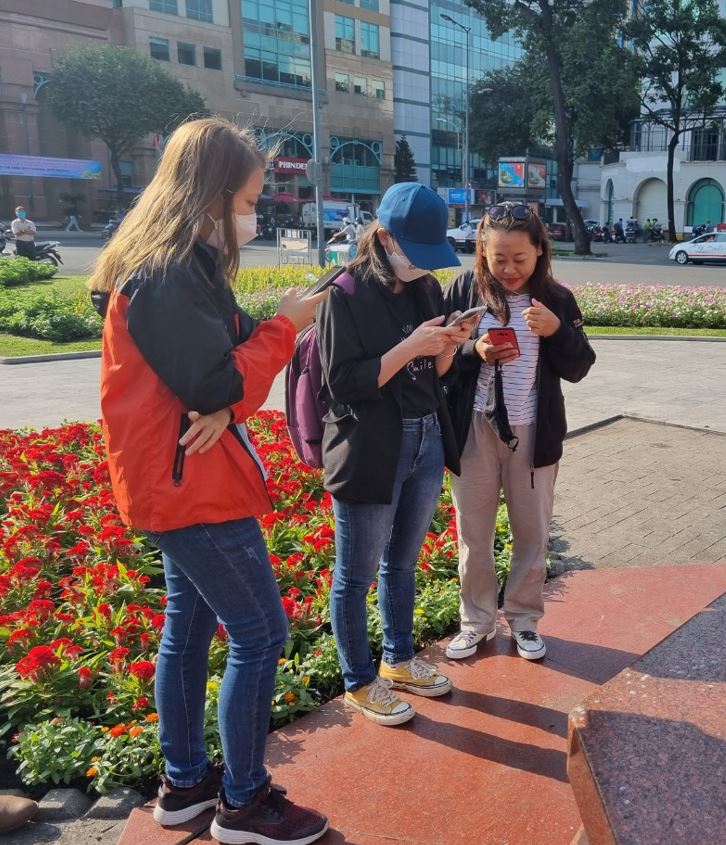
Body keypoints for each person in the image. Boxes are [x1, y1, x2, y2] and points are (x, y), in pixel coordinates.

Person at [89, 117, 329, 845]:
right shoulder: (165, 274)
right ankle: (244, 804)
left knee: (187, 630)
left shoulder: (175, 266)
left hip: (181, 477)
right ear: (211, 196)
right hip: (190, 485)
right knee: (260, 634)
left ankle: (187, 784)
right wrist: (281, 333)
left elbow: (223, 366)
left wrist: (237, 381)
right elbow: (216, 380)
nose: (255, 215)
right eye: (250, 201)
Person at [316, 183, 475, 727]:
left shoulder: (426, 288)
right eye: (414, 252)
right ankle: (359, 681)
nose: (422, 266)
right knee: (355, 574)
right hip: (371, 445)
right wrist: (409, 348)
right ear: (384, 237)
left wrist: (449, 344)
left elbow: (437, 376)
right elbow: (341, 384)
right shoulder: (344, 293)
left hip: (426, 434)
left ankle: (399, 660)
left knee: (402, 562)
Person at [442, 202, 596, 662]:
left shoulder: (556, 299)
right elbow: (436, 358)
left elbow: (580, 366)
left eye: (519, 259)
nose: (509, 270)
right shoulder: (462, 291)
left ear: (540, 251)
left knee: (532, 533)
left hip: (533, 432)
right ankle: (476, 621)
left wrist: (556, 331)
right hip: (473, 429)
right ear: (481, 252)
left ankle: (525, 620)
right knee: (473, 533)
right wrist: (473, 350)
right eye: (498, 259)